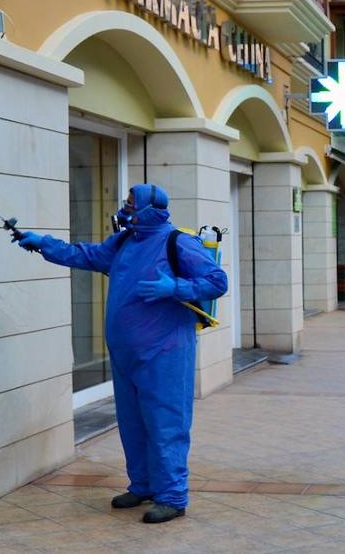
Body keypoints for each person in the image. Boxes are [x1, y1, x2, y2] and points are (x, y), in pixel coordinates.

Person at [15, 184, 228, 524]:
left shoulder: (178, 242)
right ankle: (142, 485)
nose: (125, 208)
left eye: (131, 203)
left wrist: (174, 287)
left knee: (166, 422)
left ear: (150, 209)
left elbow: (217, 280)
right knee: (132, 422)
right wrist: (42, 243)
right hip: (126, 353)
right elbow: (83, 255)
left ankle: (172, 496)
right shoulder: (124, 242)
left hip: (165, 351)